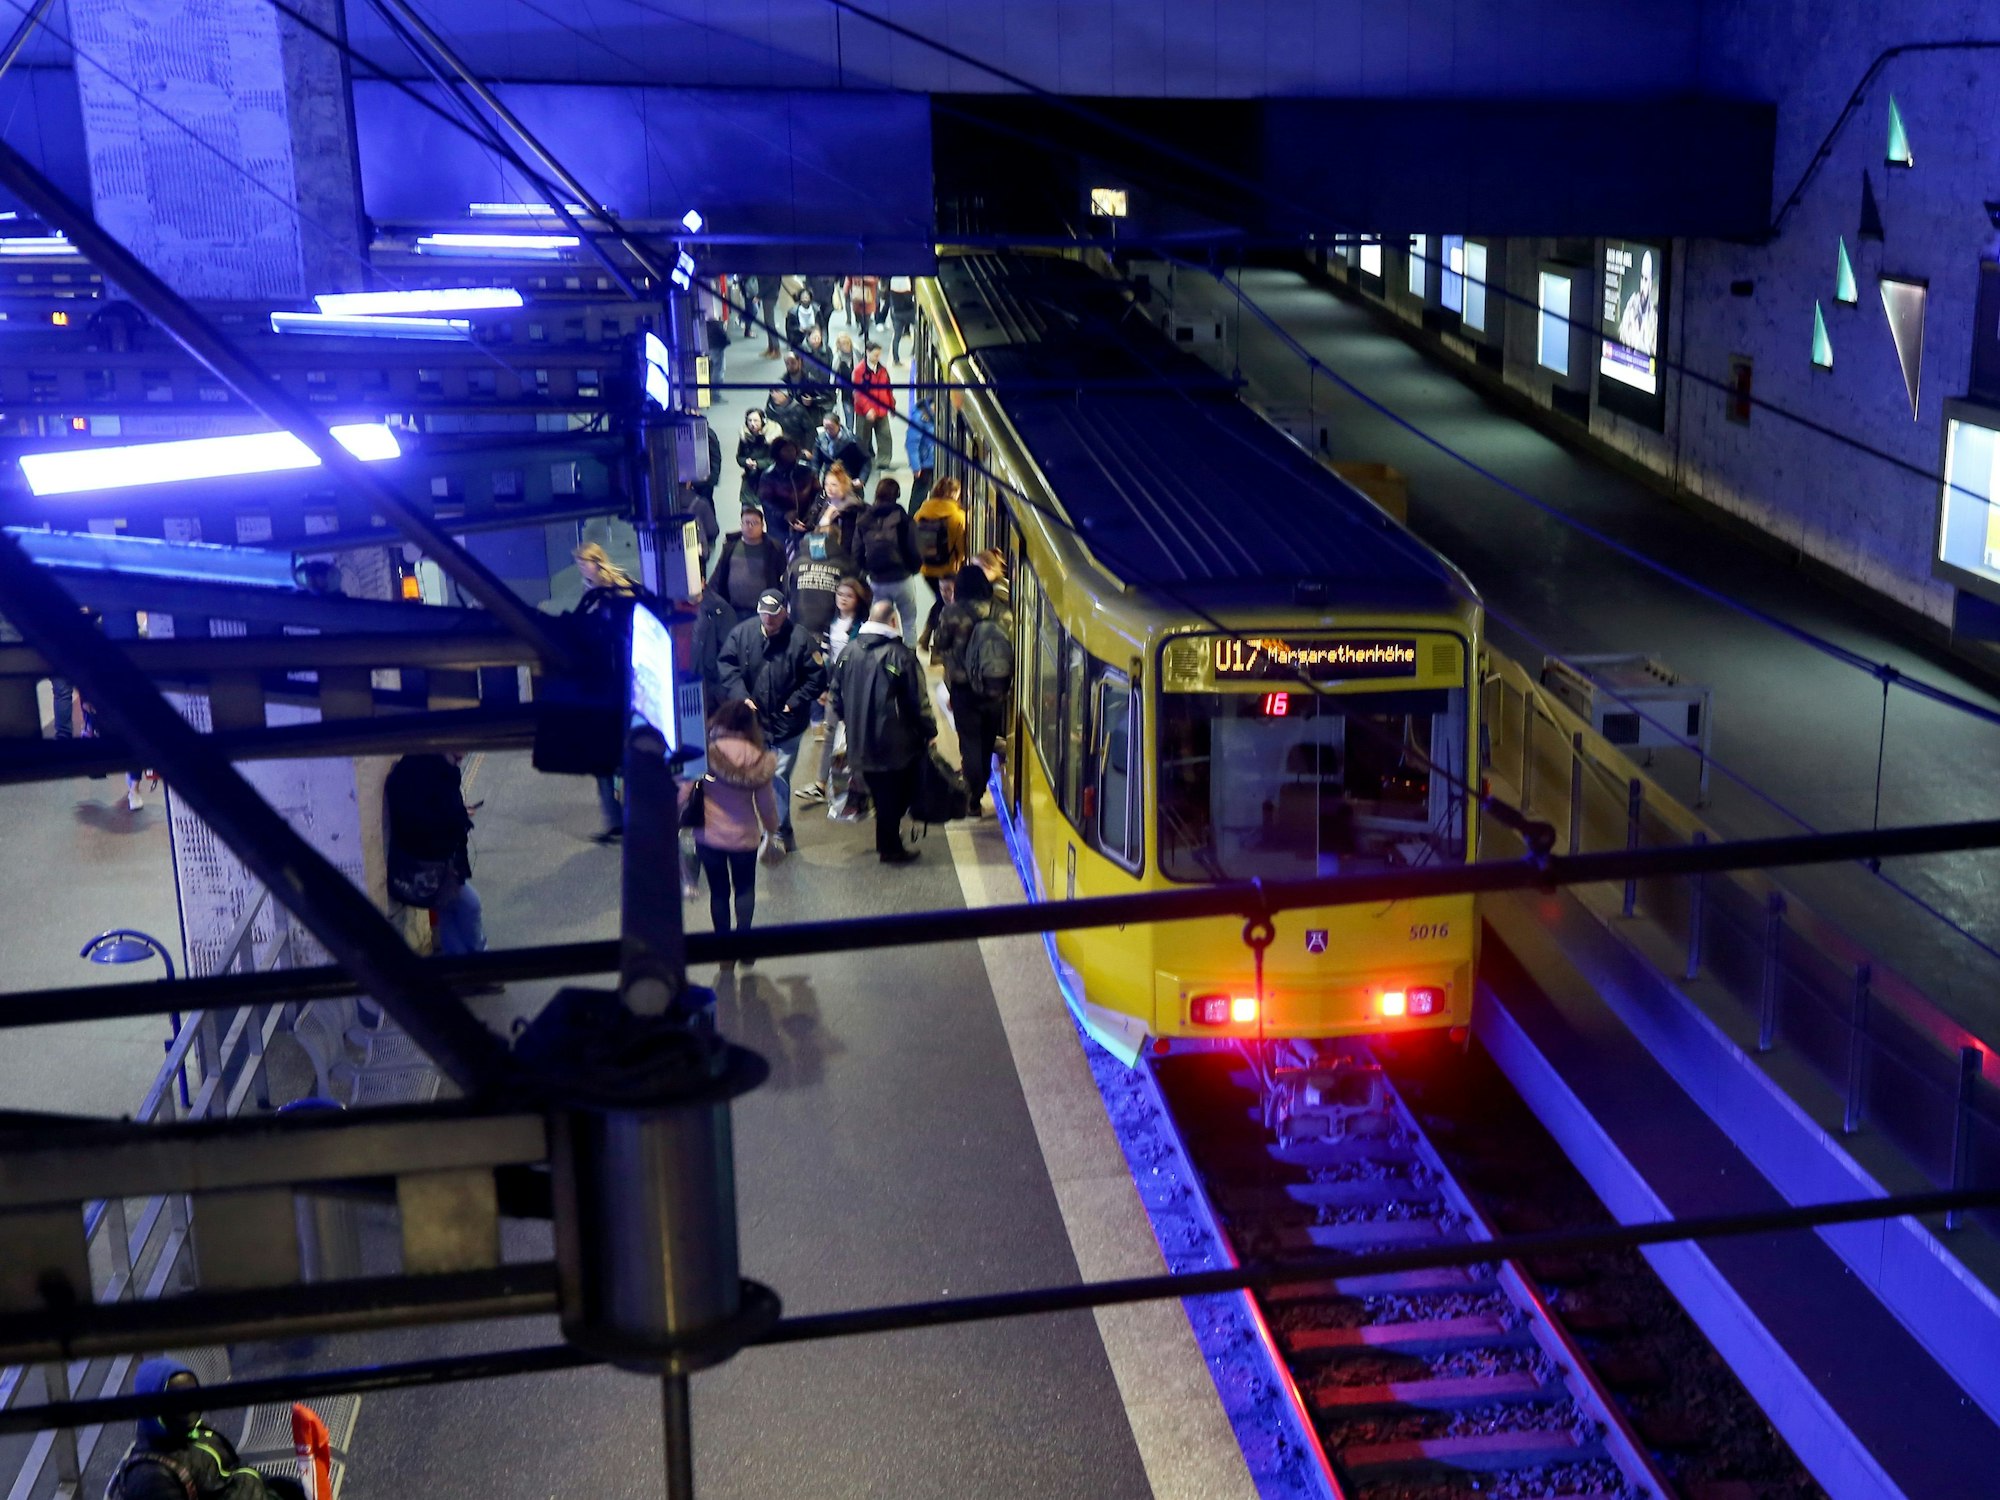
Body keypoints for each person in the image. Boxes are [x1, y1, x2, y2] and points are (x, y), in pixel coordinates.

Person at [107, 1358, 309, 1500]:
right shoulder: (151, 1478)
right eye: (177, 1403)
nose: (189, 1410)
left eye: (192, 1398)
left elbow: (235, 1470)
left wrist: (287, 1488)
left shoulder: (192, 1434)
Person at [718, 588, 825, 851]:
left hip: (787, 725)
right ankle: (767, 827)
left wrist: (794, 702)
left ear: (785, 612)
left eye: (774, 614)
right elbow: (727, 666)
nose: (768, 619)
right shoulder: (742, 634)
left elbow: (817, 677)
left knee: (778, 776)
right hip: (754, 724)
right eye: (764, 614)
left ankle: (779, 831)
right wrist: (741, 696)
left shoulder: (801, 640)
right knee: (753, 776)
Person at [832, 599, 936, 863]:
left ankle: (888, 843)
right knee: (893, 796)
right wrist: (929, 730)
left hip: (859, 741)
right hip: (894, 743)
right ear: (893, 621)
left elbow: (835, 697)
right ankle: (890, 849)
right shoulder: (901, 655)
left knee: (881, 794)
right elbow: (917, 701)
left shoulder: (848, 653)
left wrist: (851, 721)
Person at [681, 700, 782, 964]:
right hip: (744, 838)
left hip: (709, 837)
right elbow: (766, 805)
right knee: (745, 890)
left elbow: (683, 793)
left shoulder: (706, 753)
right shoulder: (757, 757)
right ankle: (744, 947)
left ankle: (724, 952)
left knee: (719, 893)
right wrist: (772, 830)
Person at [572, 542, 648, 841]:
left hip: (622, 682)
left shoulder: (620, 589)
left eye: (585, 563)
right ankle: (616, 819)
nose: (582, 569)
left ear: (597, 562)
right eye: (579, 564)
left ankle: (631, 816)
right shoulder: (590, 590)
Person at [385, 751, 483, 955]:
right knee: (471, 905)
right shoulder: (432, 771)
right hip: (430, 867)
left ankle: (459, 967)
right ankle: (482, 961)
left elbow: (435, 808)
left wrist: (458, 812)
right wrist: (458, 817)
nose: (464, 754)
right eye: (460, 749)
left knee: (447, 912)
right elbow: (426, 820)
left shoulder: (424, 767)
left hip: (432, 865)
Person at [937, 562, 1014, 817]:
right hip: (994, 686)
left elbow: (940, 644)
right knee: (987, 739)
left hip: (964, 689)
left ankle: (974, 796)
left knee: (969, 741)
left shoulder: (952, 613)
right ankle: (979, 783)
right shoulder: (1002, 613)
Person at [696, 505, 786, 711]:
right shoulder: (731, 547)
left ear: (762, 525)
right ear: (741, 524)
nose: (750, 526)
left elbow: (782, 577)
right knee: (736, 654)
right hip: (734, 611)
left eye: (754, 523)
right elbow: (719, 577)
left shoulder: (773, 548)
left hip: (761, 613)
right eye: (746, 522)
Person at [800, 574, 870, 806]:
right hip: (835, 687)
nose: (843, 599)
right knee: (830, 736)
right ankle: (820, 784)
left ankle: (860, 787)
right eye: (840, 594)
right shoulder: (830, 624)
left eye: (849, 595)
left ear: (858, 599)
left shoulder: (863, 626)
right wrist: (823, 687)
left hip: (856, 689)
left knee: (856, 737)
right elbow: (825, 658)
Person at [855, 475, 923, 649]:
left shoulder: (864, 520)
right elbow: (914, 549)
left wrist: (867, 570)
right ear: (897, 495)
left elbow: (856, 551)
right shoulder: (904, 519)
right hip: (902, 578)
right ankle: (909, 657)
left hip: (877, 580)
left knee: (880, 622)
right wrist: (913, 569)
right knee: (908, 622)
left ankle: (883, 655)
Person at [912, 475, 968, 653]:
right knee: (944, 603)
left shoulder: (921, 512)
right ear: (954, 493)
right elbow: (961, 548)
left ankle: (927, 636)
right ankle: (934, 644)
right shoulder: (958, 516)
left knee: (940, 600)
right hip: (947, 569)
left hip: (927, 569)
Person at [757, 438, 817, 553]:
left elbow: (818, 494)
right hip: (779, 527)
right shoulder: (769, 475)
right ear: (777, 452)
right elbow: (766, 502)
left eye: (792, 449)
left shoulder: (806, 471)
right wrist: (785, 514)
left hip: (806, 523)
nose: (790, 453)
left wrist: (812, 514)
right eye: (786, 450)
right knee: (781, 557)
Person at [852, 343, 897, 471]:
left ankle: (884, 461)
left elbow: (888, 389)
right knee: (862, 438)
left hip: (881, 410)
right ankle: (861, 461)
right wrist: (868, 409)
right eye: (875, 354)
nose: (878, 357)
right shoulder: (859, 371)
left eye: (879, 355)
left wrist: (892, 405)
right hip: (864, 413)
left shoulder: (883, 370)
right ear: (867, 352)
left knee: (885, 436)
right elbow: (858, 393)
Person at [813, 411, 871, 485]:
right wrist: (814, 478)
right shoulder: (820, 440)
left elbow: (866, 460)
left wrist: (861, 479)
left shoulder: (852, 441)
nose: (828, 431)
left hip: (850, 480)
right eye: (826, 428)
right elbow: (816, 461)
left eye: (831, 428)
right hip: (830, 481)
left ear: (838, 425)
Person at [737, 408, 775, 511]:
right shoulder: (745, 437)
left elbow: (774, 460)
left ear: (762, 421)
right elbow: (739, 457)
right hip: (750, 479)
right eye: (749, 420)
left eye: (755, 420)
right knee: (746, 511)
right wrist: (745, 462)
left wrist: (758, 464)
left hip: (768, 481)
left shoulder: (772, 437)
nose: (752, 424)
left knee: (770, 513)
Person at [905, 395, 938, 502]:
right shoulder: (919, 418)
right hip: (925, 465)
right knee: (919, 495)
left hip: (935, 462)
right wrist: (916, 466)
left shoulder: (937, 416)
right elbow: (912, 444)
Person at [764, 383, 814, 448]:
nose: (773, 395)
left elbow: (810, 431)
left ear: (785, 394)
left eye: (777, 391)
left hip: (798, 447)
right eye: (771, 391)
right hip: (778, 448)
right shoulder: (769, 411)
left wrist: (808, 449)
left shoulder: (798, 409)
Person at [887, 274, 916, 362]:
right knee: (918, 331)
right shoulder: (905, 281)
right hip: (909, 313)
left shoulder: (892, 282)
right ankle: (914, 352)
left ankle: (896, 359)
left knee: (896, 337)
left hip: (897, 313)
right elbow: (909, 300)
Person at [832, 331, 858, 428]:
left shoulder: (857, 354)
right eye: (843, 344)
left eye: (847, 343)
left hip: (859, 393)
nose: (846, 346)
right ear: (839, 345)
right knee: (849, 422)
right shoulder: (837, 358)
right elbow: (833, 377)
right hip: (846, 395)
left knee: (860, 423)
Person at [784, 284, 822, 349]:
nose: (805, 299)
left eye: (807, 297)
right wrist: (798, 329)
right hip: (798, 338)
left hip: (814, 336)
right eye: (803, 297)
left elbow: (822, 326)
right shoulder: (792, 312)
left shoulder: (816, 310)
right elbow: (789, 328)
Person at [844, 274, 880, 340]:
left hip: (869, 295)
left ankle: (866, 335)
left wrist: (864, 279)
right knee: (858, 314)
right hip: (857, 293)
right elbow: (849, 278)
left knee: (867, 316)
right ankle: (863, 327)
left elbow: (875, 280)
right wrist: (846, 288)